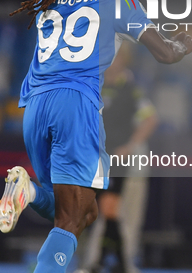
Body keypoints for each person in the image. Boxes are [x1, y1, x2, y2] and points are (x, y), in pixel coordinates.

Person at [0, 0, 192, 273]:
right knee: (71, 219)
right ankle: (29, 197)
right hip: (77, 105)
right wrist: (181, 45)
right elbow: (164, 54)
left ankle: (27, 192)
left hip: (36, 105)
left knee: (81, 210)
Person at [82, 43, 158, 273]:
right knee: (93, 210)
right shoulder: (93, 85)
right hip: (91, 157)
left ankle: (115, 261)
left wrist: (130, 146)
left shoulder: (132, 90)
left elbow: (150, 119)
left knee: (109, 210)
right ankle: (104, 260)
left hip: (116, 159)